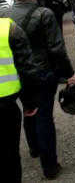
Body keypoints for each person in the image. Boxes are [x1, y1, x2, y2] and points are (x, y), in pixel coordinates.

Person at [0, 0, 75, 180]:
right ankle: (49, 165)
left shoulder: (4, 14)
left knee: (28, 110)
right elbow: (57, 48)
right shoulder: (44, 13)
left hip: (15, 72)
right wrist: (69, 72)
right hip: (42, 69)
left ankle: (34, 148)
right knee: (43, 115)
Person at [0, 15, 39, 183]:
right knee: (8, 155)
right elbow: (27, 69)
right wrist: (30, 103)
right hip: (5, 107)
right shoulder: (8, 28)